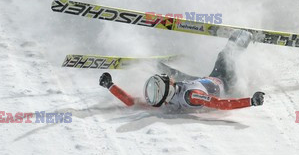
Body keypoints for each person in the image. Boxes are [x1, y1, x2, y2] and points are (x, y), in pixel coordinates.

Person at [99, 30, 265, 110]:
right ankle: (247, 35)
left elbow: (131, 102)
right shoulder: (192, 95)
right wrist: (251, 101)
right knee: (226, 55)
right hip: (224, 81)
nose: (168, 78)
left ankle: (150, 63)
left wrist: (110, 85)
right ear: (168, 87)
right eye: (165, 79)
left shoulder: (164, 100)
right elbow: (221, 104)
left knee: (171, 71)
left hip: (203, 80)